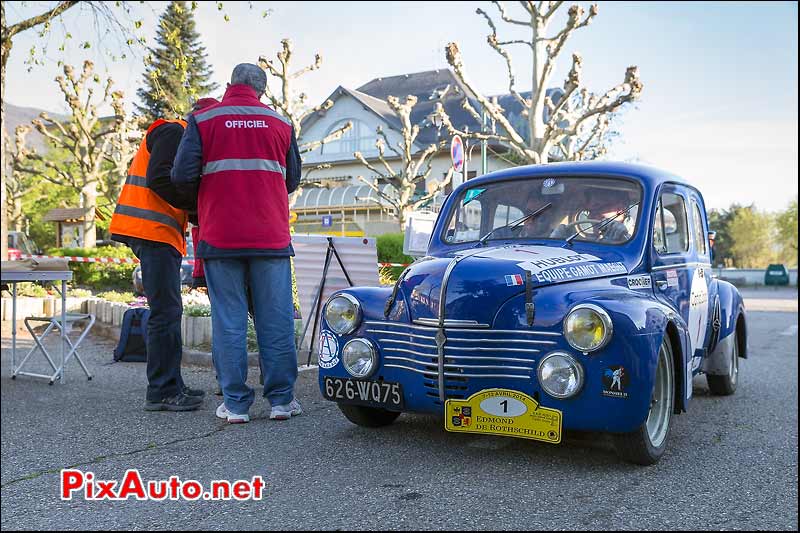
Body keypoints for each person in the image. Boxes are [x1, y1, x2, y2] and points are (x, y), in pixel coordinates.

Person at [171, 63, 302, 424]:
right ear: (262, 92)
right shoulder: (281, 124)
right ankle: (281, 401)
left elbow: (181, 175)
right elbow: (292, 179)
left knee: (228, 319)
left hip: (220, 236)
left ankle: (236, 404)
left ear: (229, 85)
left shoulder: (204, 120)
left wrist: (207, 201)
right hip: (270, 238)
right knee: (275, 320)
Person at [109, 98, 217, 412]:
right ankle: (161, 391)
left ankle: (172, 384)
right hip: (151, 232)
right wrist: (196, 206)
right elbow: (159, 179)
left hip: (156, 233)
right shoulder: (174, 133)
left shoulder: (176, 135)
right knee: (165, 313)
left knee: (168, 311)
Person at [550, 188, 632, 243]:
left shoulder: (637, 236)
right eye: (588, 211)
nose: (589, 217)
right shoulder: (582, 239)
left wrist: (622, 238)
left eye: (598, 209)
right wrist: (555, 243)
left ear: (620, 209)